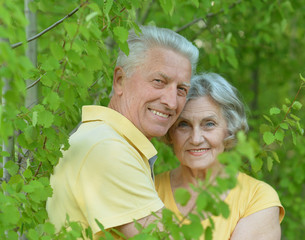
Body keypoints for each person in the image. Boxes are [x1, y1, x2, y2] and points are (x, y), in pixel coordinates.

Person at [46, 25, 199, 239]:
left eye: (181, 89)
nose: (171, 102)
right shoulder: (108, 149)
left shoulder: (102, 138)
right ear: (120, 80)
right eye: (159, 82)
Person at [155, 73, 285, 240]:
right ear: (170, 132)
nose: (196, 139)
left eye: (209, 124)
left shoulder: (257, 198)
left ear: (230, 129)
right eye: (183, 125)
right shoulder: (147, 191)